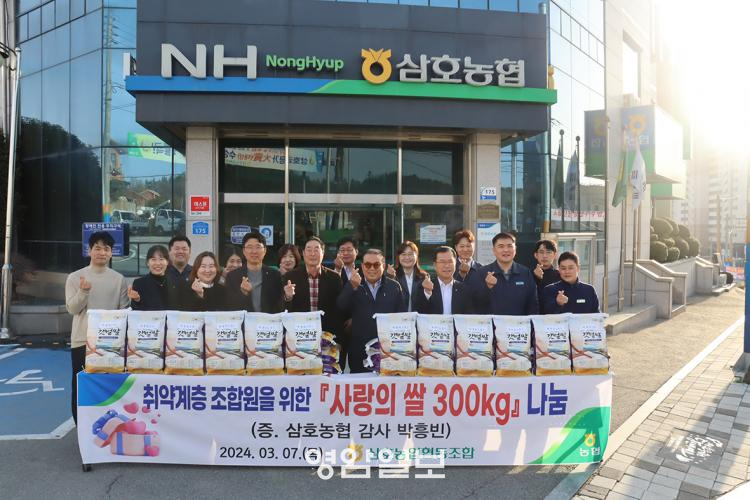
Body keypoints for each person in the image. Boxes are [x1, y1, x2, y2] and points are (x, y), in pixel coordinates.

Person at [65, 231, 129, 425]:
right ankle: (81, 428)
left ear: (111, 252)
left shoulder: (118, 279)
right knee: (82, 386)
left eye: (106, 249)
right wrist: (84, 292)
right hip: (82, 341)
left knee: (109, 388)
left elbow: (124, 311)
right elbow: (72, 309)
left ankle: (108, 425)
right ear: (89, 250)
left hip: (111, 344)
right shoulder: (75, 277)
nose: (102, 252)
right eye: (97, 248)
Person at [336, 248, 405, 373]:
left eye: (376, 264)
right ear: (362, 266)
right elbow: (340, 307)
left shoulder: (394, 287)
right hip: (359, 352)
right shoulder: (354, 284)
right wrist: (351, 287)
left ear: (383, 265)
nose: (372, 268)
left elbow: (401, 318)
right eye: (368, 265)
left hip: (387, 352)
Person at [282, 236, 345, 359]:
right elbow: (283, 310)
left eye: (316, 250)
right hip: (299, 337)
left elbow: (338, 312)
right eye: (309, 250)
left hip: (327, 337)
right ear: (303, 253)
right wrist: (288, 297)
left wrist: (338, 341)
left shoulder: (334, 278)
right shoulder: (290, 277)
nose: (312, 254)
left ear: (323, 253)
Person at [467, 232, 538, 315]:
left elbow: (533, 305)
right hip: (491, 323)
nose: (506, 250)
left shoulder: (525, 273)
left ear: (515, 249)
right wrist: (487, 288)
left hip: (519, 323)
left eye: (509, 246)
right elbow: (473, 304)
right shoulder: (481, 273)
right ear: (494, 250)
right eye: (501, 246)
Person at [225, 231, 283, 313]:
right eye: (249, 247)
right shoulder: (232, 276)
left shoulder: (275, 275)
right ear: (244, 251)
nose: (254, 251)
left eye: (258, 247)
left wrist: (288, 297)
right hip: (244, 320)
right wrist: (243, 293)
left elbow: (279, 306)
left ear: (265, 250)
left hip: (268, 320)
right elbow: (229, 306)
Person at [415, 246, 473, 315]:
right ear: (434, 265)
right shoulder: (424, 286)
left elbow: (469, 316)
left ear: (455, 264)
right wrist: (427, 293)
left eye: (450, 261)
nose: (447, 266)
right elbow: (419, 312)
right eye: (442, 262)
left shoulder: (464, 289)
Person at [129, 245, 188, 311]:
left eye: (161, 259)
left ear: (167, 262)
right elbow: (134, 311)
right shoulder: (139, 283)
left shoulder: (177, 282)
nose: (157, 263)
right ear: (147, 263)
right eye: (153, 259)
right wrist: (137, 300)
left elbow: (184, 308)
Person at [387, 240, 427, 312]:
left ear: (416, 256)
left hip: (418, 318)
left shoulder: (424, 277)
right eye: (403, 254)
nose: (407, 257)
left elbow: (427, 303)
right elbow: (388, 300)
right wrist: (390, 278)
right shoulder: (392, 275)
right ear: (398, 257)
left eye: (410, 254)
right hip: (398, 317)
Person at [532, 239, 561, 313]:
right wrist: (536, 278)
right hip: (533, 316)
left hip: (554, 317)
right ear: (536, 255)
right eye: (541, 252)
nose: (545, 256)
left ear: (555, 255)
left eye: (548, 252)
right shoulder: (528, 274)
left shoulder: (560, 276)